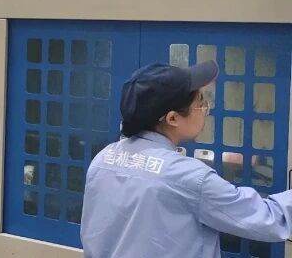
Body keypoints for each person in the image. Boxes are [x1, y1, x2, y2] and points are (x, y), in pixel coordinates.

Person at [81, 61, 292, 257]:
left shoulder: (104, 159)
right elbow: (271, 219)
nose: (206, 110)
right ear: (172, 118)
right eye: (201, 103)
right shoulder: (190, 178)